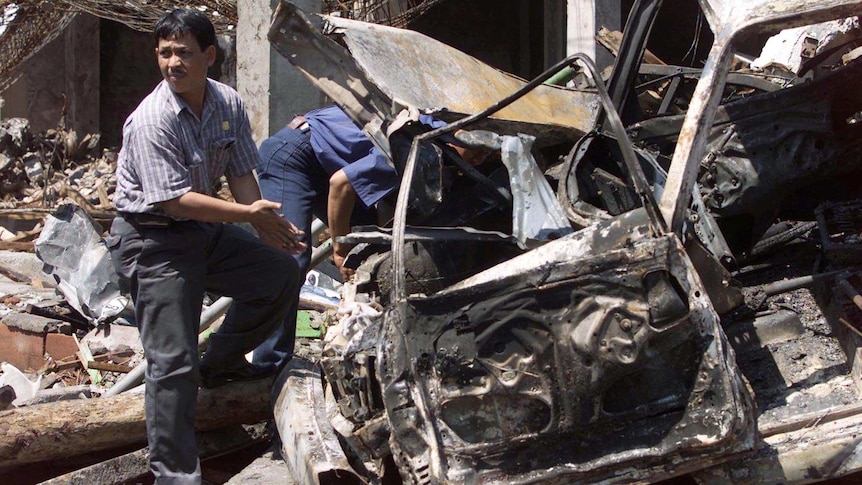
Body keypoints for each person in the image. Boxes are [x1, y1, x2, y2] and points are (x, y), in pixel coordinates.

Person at [107, 9, 306, 483]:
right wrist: (246, 216)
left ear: (209, 56)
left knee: (280, 272)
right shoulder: (152, 121)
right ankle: (175, 475)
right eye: (164, 53)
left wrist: (265, 226)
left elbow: (239, 169)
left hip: (204, 232)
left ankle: (218, 365)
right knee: (172, 364)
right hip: (152, 241)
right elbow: (175, 203)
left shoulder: (227, 102)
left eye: (183, 52)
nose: (172, 62)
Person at [253, 105, 486, 371]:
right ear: (456, 133)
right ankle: (267, 365)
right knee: (290, 258)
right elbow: (341, 184)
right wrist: (340, 249)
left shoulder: (440, 140)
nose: (479, 158)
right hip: (294, 154)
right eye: (476, 147)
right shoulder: (417, 145)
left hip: (324, 160)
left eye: (486, 151)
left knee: (369, 245)